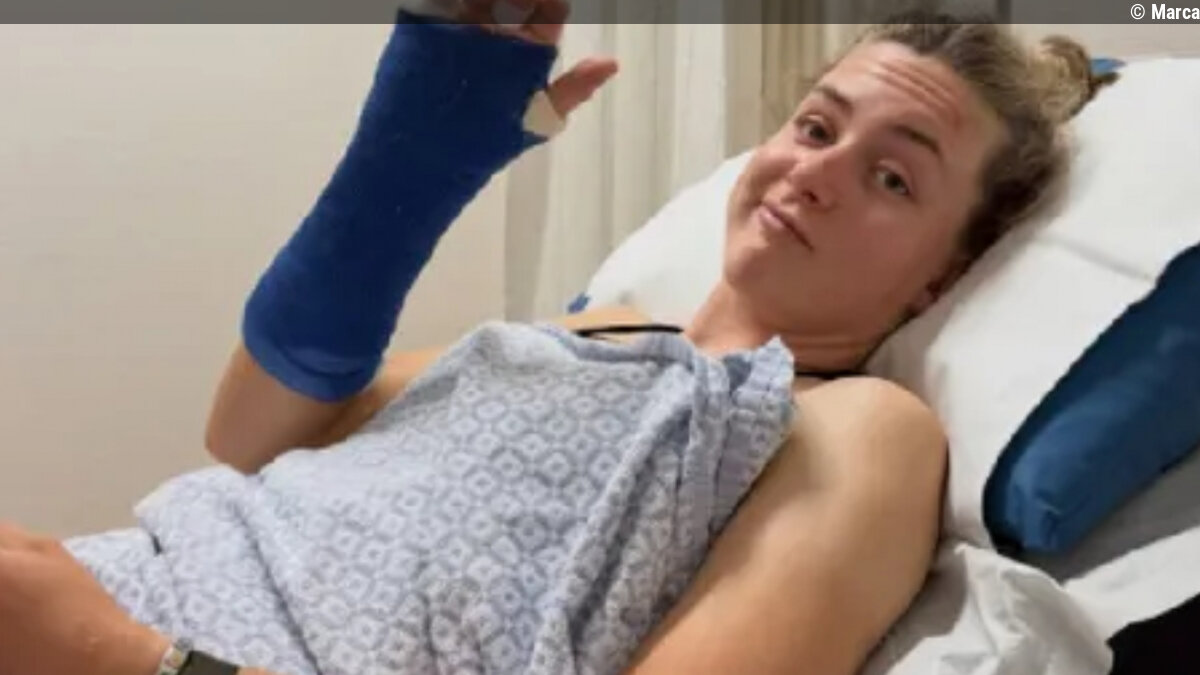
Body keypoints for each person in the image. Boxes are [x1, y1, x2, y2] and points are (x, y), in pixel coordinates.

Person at [0, 5, 1112, 675]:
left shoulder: (856, 430)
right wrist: (409, 164)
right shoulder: (580, 333)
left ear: (941, 278)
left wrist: (125, 658)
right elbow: (249, 435)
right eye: (816, 126)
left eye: (893, 177)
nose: (816, 171)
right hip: (92, 589)